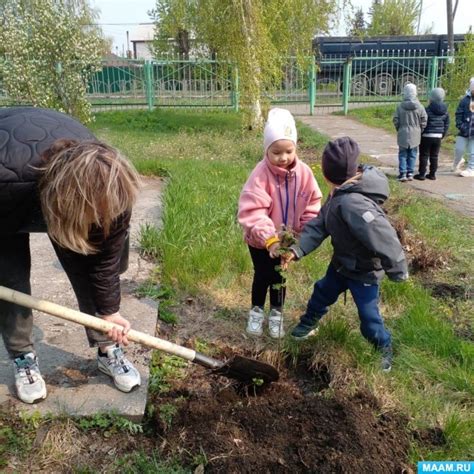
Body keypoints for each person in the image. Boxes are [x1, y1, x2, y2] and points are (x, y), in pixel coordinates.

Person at [0, 107, 141, 404]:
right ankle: (23, 356)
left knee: (90, 258)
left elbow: (103, 263)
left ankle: (107, 348)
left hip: (50, 179)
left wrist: (109, 312)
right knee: (9, 277)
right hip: (10, 191)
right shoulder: (7, 182)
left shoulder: (112, 186)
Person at [282, 137, 408, 372]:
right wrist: (297, 250)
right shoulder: (338, 194)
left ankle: (383, 346)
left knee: (368, 317)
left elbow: (384, 236)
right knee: (322, 291)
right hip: (341, 265)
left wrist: (397, 269)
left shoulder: (353, 204)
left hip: (364, 271)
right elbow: (320, 225)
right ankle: (307, 324)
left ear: (328, 174)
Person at [238, 108, 322, 339]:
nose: (283, 157)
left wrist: (300, 236)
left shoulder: (304, 173)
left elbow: (313, 204)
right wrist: (270, 239)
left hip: (286, 242)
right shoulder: (260, 174)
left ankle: (276, 313)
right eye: (276, 152)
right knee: (263, 274)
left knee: (280, 277)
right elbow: (253, 210)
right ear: (266, 150)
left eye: (288, 151)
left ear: (295, 148)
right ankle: (256, 311)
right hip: (260, 240)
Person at [393, 83, 427, 182]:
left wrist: (399, 128)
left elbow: (396, 119)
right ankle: (410, 172)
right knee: (413, 153)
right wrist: (420, 129)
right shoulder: (420, 107)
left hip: (403, 132)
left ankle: (402, 173)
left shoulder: (400, 106)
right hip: (416, 133)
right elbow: (424, 119)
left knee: (402, 153)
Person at [414, 87, 450, 181]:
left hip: (426, 135)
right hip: (438, 136)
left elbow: (423, 121)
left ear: (431, 97)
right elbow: (447, 123)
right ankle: (432, 174)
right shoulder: (445, 111)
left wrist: (421, 132)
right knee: (434, 156)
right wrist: (442, 133)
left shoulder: (427, 110)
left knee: (424, 155)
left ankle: (422, 174)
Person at [452, 77, 474, 177]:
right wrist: (460, 125)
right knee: (458, 149)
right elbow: (458, 114)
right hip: (463, 130)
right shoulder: (465, 100)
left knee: (472, 151)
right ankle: (457, 162)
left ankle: (471, 169)